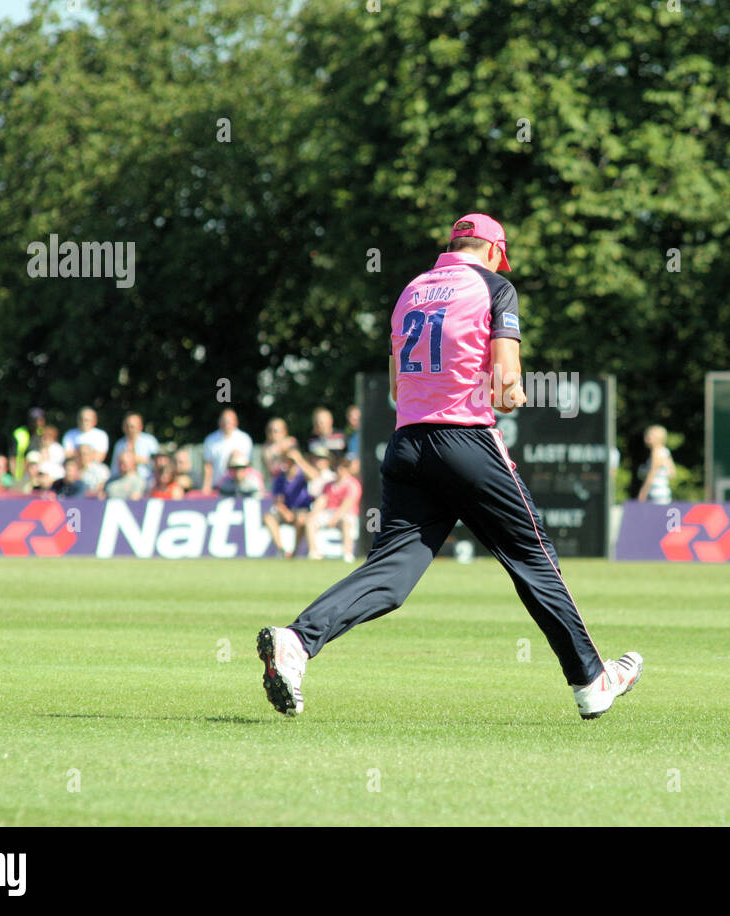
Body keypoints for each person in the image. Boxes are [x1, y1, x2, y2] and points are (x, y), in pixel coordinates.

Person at [256, 212, 641, 720]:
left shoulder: (411, 290)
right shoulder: (495, 287)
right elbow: (505, 390)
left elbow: (398, 388)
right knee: (533, 556)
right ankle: (593, 681)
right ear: (495, 251)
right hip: (466, 443)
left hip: (407, 444)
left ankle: (296, 642)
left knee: (390, 575)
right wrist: (522, 390)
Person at [306, 455, 362, 562]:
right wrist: (313, 513)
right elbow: (322, 500)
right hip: (329, 513)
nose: (340, 469)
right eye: (338, 466)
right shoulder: (329, 485)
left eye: (344, 467)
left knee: (346, 522)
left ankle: (347, 553)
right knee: (310, 521)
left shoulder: (353, 484)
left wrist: (334, 519)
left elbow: (346, 505)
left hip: (346, 514)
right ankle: (313, 552)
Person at [263, 453, 315, 558]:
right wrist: (285, 512)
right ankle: (281, 549)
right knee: (268, 518)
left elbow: (314, 476)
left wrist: (299, 460)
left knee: (301, 520)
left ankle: (295, 551)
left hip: (301, 509)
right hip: (285, 509)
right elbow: (278, 500)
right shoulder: (280, 479)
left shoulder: (302, 476)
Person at [202, 409, 253, 492]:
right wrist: (206, 486)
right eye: (224, 421)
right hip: (217, 486)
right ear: (219, 422)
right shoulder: (210, 440)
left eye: (229, 421)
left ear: (235, 422)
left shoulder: (244, 439)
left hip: (240, 487)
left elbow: (247, 465)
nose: (226, 424)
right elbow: (208, 465)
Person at [110, 412, 159, 479]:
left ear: (140, 427)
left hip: (147, 479)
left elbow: (158, 464)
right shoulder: (119, 444)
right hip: (125, 481)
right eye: (127, 426)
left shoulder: (150, 441)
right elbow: (114, 468)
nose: (129, 429)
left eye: (132, 427)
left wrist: (141, 460)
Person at [636, 425, 676, 504]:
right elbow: (672, 474)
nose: (646, 438)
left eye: (649, 435)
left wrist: (643, 492)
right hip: (664, 492)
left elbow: (652, 473)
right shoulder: (665, 451)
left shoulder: (656, 452)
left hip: (655, 493)